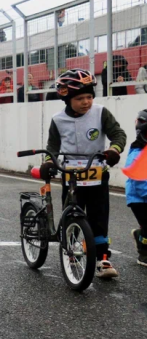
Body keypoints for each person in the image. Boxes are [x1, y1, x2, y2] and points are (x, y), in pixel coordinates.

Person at [45, 69, 126, 279]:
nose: (86, 102)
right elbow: (52, 146)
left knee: (99, 216)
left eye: (89, 96)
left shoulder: (100, 113)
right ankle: (71, 249)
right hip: (71, 175)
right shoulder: (58, 119)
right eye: (80, 98)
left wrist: (114, 150)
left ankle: (102, 258)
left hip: (97, 172)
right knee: (71, 213)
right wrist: (48, 161)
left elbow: (118, 134)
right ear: (67, 99)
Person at [125, 110, 147, 267]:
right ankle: (143, 253)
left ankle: (139, 233)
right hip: (138, 198)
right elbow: (139, 181)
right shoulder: (138, 153)